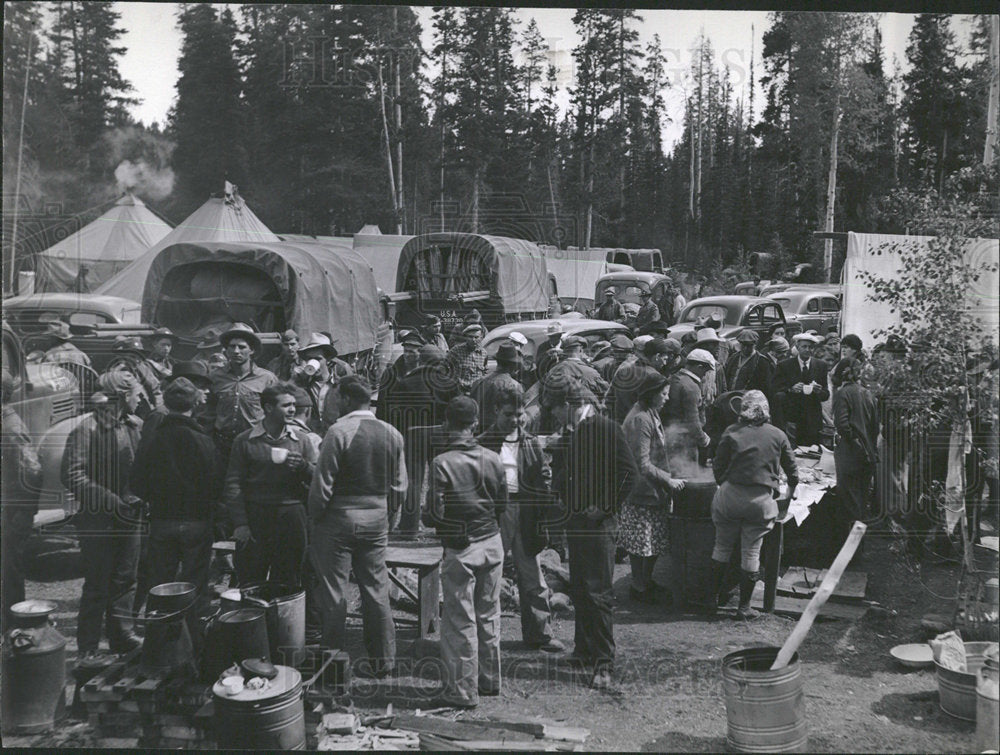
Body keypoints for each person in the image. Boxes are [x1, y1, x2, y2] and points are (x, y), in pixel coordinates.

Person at [308, 376, 406, 676]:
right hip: (376, 515)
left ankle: (334, 663)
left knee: (334, 590)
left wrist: (315, 518)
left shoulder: (339, 432)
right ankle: (384, 660)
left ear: (347, 399)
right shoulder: (392, 432)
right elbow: (401, 486)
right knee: (376, 589)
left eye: (337, 397)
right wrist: (391, 518)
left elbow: (322, 485)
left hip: (339, 516)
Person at [546, 382, 636, 690]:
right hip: (578, 521)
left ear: (569, 404)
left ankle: (604, 663)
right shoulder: (574, 431)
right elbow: (570, 470)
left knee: (598, 593)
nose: (555, 417)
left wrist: (605, 507)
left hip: (599, 525)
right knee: (581, 588)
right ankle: (584, 649)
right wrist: (560, 492)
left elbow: (628, 473)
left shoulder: (606, 428)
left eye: (556, 410)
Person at [426, 396, 508, 708]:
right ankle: (489, 681)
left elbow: (435, 511)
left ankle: (461, 692)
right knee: (489, 614)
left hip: (461, 548)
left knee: (460, 621)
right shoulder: (493, 458)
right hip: (492, 540)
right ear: (474, 424)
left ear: (447, 424)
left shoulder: (442, 462)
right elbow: (502, 504)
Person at [61, 372, 144, 658]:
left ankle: (123, 637)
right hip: (98, 520)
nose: (140, 398)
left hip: (130, 517)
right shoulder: (87, 429)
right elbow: (71, 474)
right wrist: (109, 500)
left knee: (125, 579)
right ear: (122, 396)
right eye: (136, 393)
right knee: (97, 585)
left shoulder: (135, 425)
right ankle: (88, 648)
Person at [129, 378, 223, 625]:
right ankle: (193, 642)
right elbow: (216, 483)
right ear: (195, 404)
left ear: (166, 404)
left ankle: (159, 641)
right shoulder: (203, 440)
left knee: (160, 585)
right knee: (195, 586)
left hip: (162, 521)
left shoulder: (152, 439)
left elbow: (137, 482)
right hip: (197, 521)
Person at [477, 387, 564, 652]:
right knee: (488, 576)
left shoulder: (529, 441)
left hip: (525, 511)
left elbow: (543, 473)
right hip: (495, 513)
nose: (514, 420)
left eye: (518, 415)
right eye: (508, 415)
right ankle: (484, 638)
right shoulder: (482, 442)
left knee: (532, 575)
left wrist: (543, 505)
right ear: (495, 412)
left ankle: (540, 634)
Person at [708, 390, 798, 619]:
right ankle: (744, 607)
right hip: (760, 501)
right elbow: (793, 473)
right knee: (751, 552)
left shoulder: (731, 432)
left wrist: (727, 485)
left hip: (729, 496)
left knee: (721, 548)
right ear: (765, 410)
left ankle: (711, 601)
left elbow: (718, 468)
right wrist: (789, 493)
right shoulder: (778, 435)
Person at [225, 383, 317, 588]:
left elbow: (318, 478)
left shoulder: (301, 440)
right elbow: (233, 484)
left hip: (292, 516)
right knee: (250, 579)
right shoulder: (245, 440)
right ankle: (255, 620)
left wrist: (304, 467)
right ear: (268, 408)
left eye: (294, 405)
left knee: (289, 580)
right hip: (257, 515)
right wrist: (240, 523)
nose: (293, 410)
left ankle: (282, 620)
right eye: (286, 405)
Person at [621, 373, 684, 604]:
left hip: (652, 490)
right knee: (641, 543)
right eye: (664, 393)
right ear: (652, 393)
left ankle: (645, 582)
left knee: (652, 541)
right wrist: (668, 480)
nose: (667, 398)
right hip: (642, 491)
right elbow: (642, 463)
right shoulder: (640, 419)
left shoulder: (650, 411)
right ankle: (639, 587)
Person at [1, 371, 42, 631]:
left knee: (8, 570)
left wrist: (23, 513)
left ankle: (13, 626)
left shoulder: (10, 427)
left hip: (11, 511)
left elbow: (31, 471)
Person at [205, 323, 279, 464]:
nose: (236, 351)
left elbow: (275, 413)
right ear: (226, 350)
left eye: (242, 347)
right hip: (222, 446)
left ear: (251, 350)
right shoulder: (215, 378)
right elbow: (208, 411)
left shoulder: (267, 379)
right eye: (232, 347)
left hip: (254, 444)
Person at [832, 357, 879, 528]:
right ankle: (859, 548)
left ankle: (849, 550)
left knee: (848, 505)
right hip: (868, 455)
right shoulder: (868, 393)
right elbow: (875, 427)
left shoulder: (843, 394)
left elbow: (842, 425)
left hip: (850, 455)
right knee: (861, 502)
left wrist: (852, 442)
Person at [772, 333, 830, 446]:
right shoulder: (785, 366)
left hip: (812, 420)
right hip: (792, 419)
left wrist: (819, 391)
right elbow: (774, 388)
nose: (807, 350)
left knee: (812, 453)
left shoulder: (821, 366)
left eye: (810, 347)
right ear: (797, 348)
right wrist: (790, 389)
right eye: (804, 346)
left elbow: (826, 395)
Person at [663, 349, 716, 470]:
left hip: (670, 435)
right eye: (705, 370)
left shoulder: (673, 378)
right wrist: (703, 439)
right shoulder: (691, 387)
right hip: (686, 440)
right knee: (688, 472)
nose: (705, 374)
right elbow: (692, 420)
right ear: (699, 366)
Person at [293, 332, 354, 434]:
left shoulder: (339, 384)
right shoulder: (302, 385)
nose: (312, 362)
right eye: (309, 359)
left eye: (317, 359)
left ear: (328, 360)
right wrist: (298, 380)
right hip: (311, 437)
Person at [541, 336, 610, 408]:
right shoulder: (589, 372)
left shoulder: (552, 371)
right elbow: (608, 394)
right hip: (584, 416)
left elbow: (543, 397)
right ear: (580, 350)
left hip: (557, 415)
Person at [471, 342, 524, 428]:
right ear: (514, 365)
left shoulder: (478, 382)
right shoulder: (514, 386)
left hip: (478, 430)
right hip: (500, 432)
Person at [446, 323, 490, 392]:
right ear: (465, 337)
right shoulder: (456, 351)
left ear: (481, 338)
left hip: (477, 391)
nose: (473, 340)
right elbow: (445, 368)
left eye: (476, 337)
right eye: (470, 337)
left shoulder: (483, 353)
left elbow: (485, 372)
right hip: (459, 391)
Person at [143, 327, 177, 392]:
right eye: (163, 345)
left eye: (169, 345)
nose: (166, 348)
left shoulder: (172, 362)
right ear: (154, 344)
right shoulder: (146, 363)